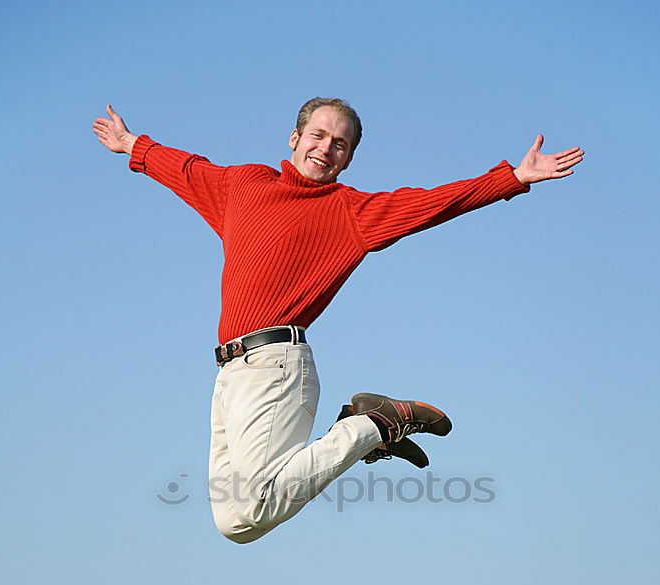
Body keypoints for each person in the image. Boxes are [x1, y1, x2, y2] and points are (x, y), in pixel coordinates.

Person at [92, 98, 583, 544]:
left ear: (348, 160)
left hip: (276, 366)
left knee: (248, 511)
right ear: (295, 137)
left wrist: (512, 179)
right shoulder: (241, 186)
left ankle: (374, 424)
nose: (326, 149)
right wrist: (132, 144)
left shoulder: (349, 212)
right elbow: (187, 168)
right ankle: (363, 425)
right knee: (233, 523)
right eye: (318, 136)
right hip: (228, 374)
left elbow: (429, 204)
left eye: (339, 144)